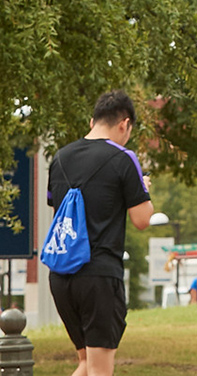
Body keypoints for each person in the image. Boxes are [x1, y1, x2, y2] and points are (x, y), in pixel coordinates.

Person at [48, 90, 157, 376]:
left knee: (86, 364)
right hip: (98, 275)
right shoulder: (124, 158)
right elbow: (142, 219)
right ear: (125, 123)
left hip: (61, 277)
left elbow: (57, 209)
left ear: (91, 120)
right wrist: (142, 187)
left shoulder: (59, 157)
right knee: (100, 370)